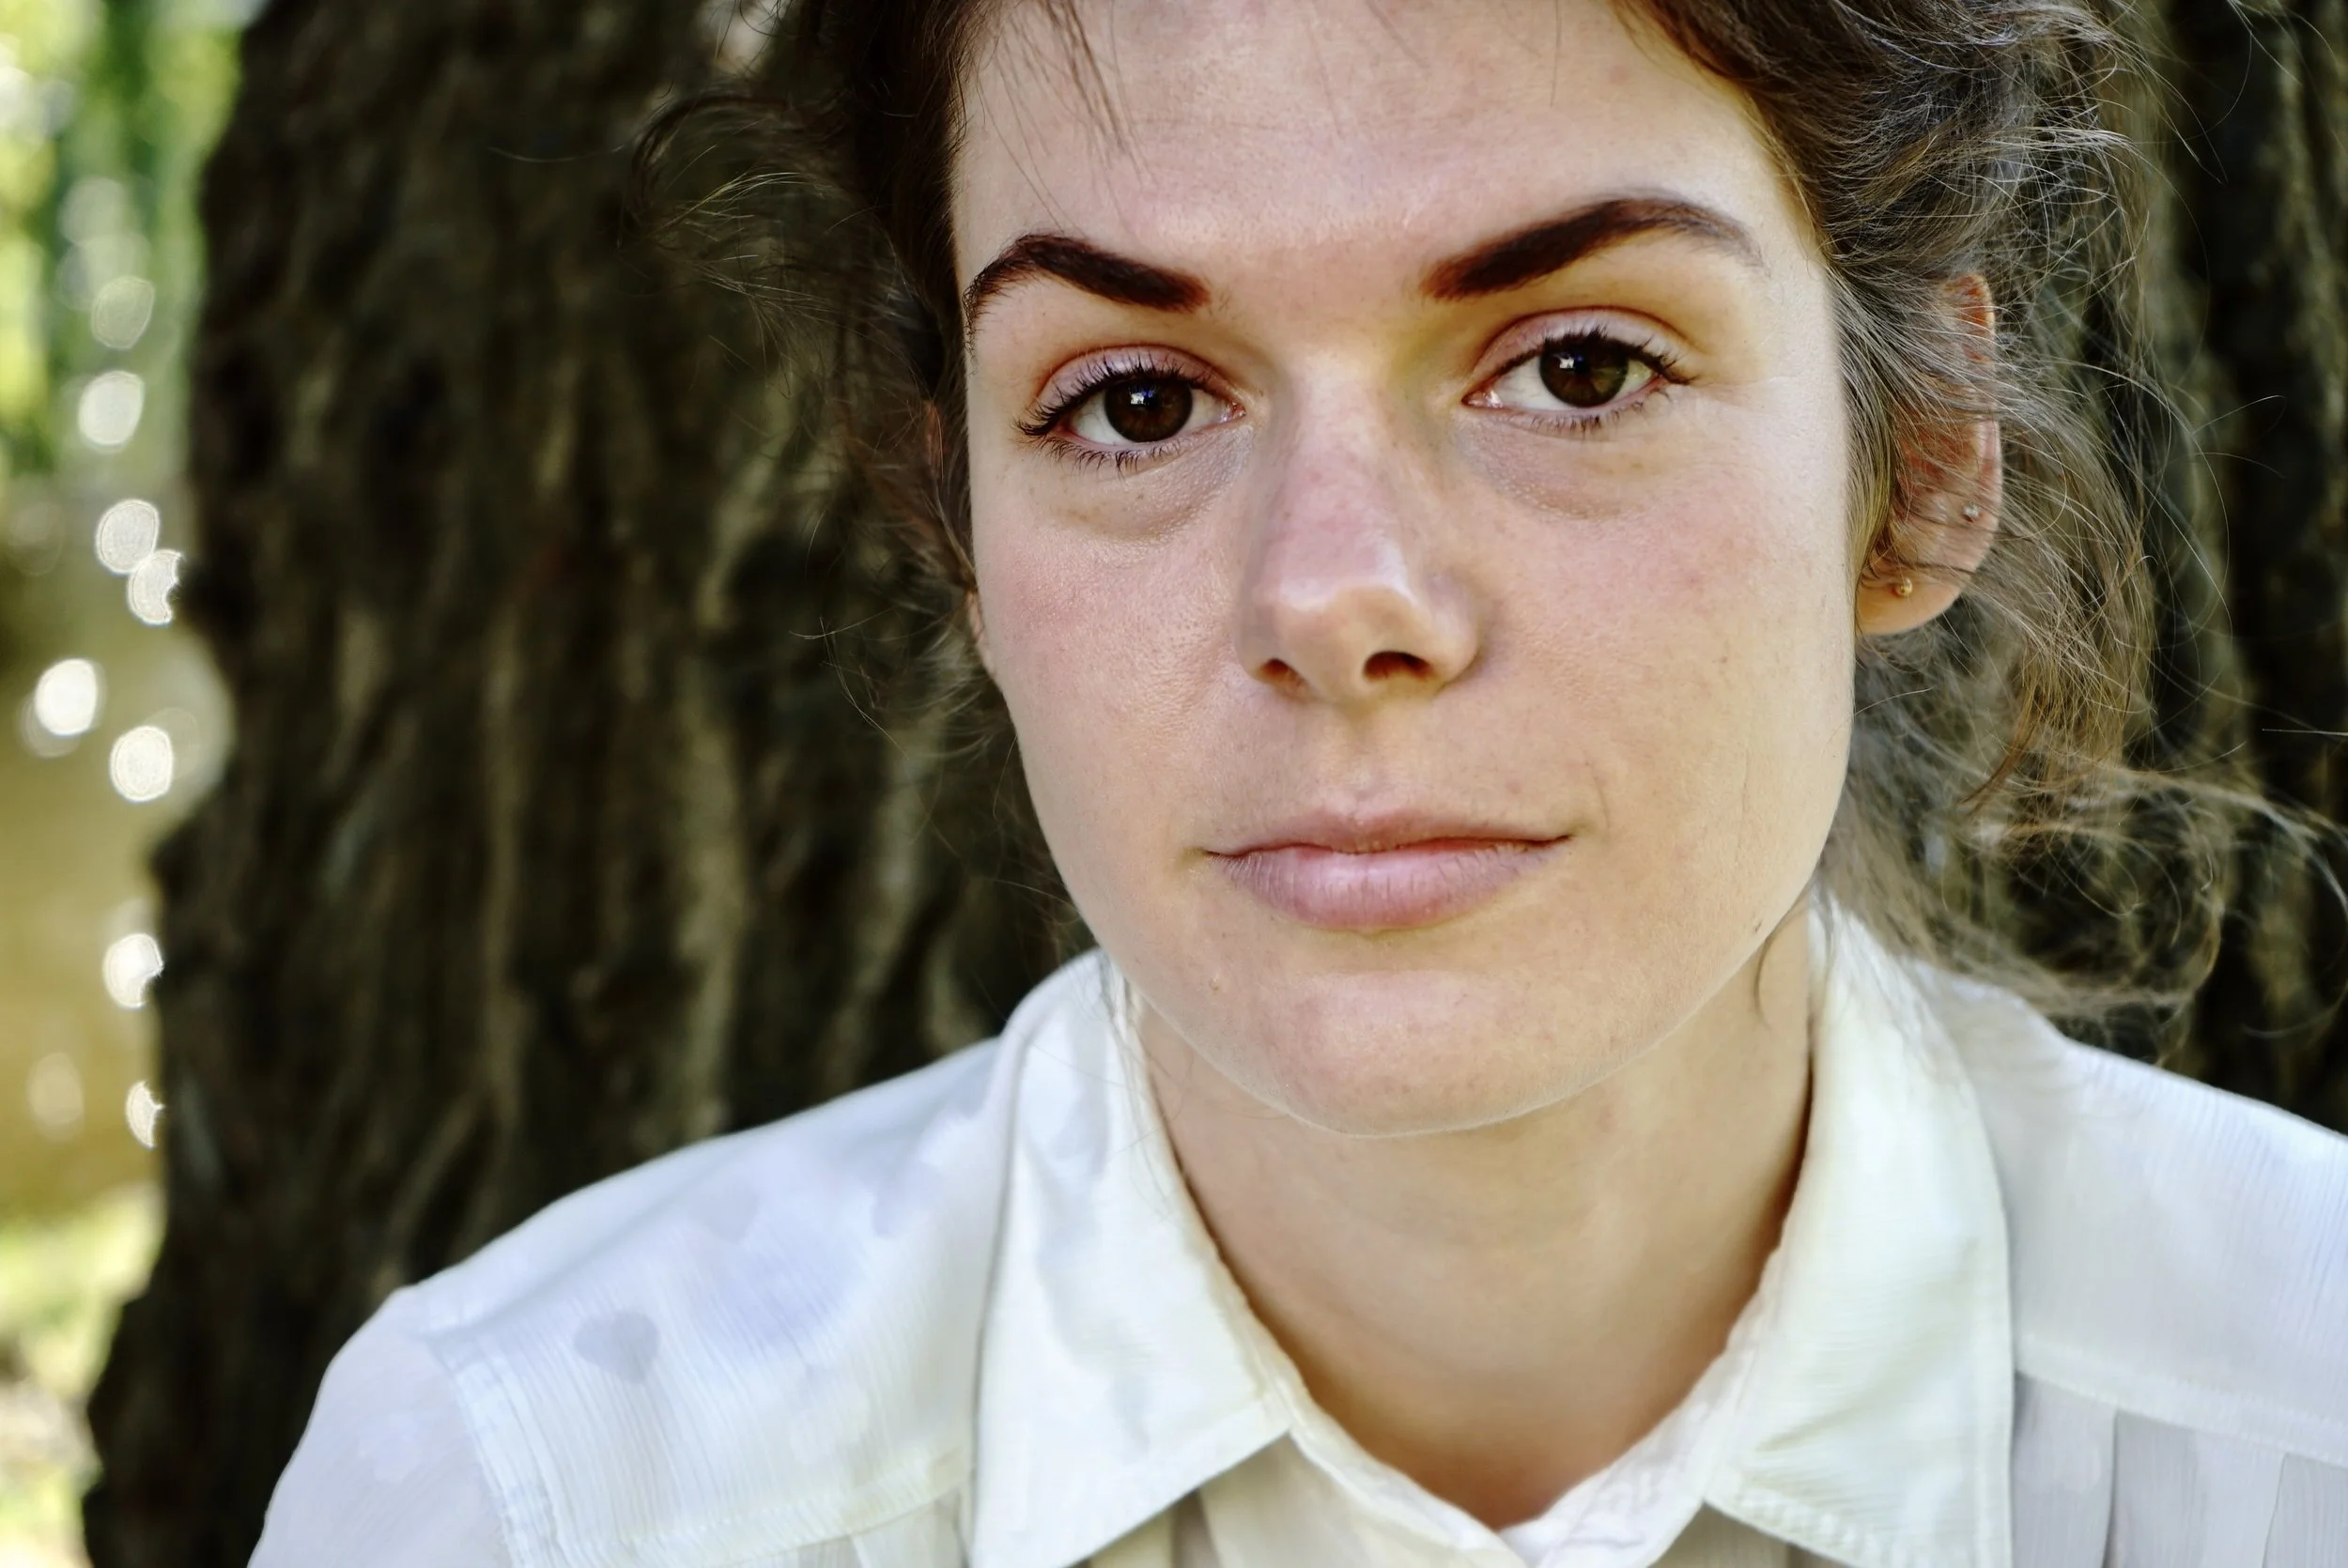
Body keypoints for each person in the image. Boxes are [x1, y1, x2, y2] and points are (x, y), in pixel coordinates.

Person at [250, 1, 2348, 1563]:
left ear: (1926, 453)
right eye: (1135, 399)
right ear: (954, 518)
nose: (1339, 598)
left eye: (1580, 364)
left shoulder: (2295, 1422)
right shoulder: (529, 1497)